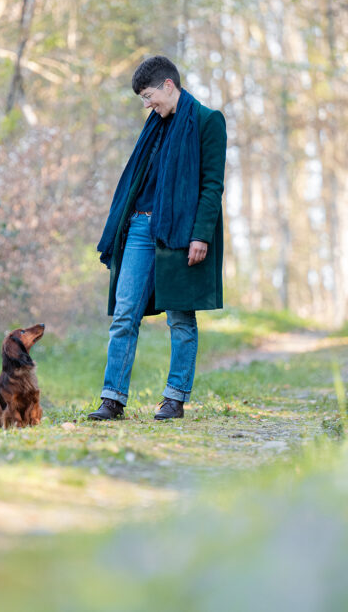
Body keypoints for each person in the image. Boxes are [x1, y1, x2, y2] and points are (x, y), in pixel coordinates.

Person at [89, 55, 226, 421]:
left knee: (181, 318)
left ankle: (174, 398)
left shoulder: (207, 121)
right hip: (139, 227)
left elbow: (212, 185)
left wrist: (201, 235)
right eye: (142, 99)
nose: (147, 105)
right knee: (124, 313)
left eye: (149, 95)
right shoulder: (156, 124)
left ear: (169, 85)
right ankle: (112, 398)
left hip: (180, 233)